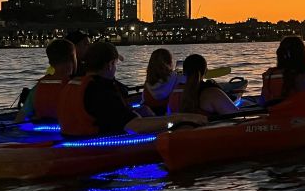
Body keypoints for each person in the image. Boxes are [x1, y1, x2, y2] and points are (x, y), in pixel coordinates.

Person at [58, 41, 207, 137]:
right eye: (115, 64)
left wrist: (135, 112)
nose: (115, 69)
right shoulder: (100, 89)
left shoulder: (73, 84)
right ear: (109, 65)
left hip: (72, 139)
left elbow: (105, 114)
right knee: (183, 127)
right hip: (98, 147)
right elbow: (135, 127)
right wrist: (181, 118)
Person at [16, 38, 77, 123]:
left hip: (41, 129)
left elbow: (20, 118)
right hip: (67, 129)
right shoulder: (75, 88)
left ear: (50, 63)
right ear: (72, 59)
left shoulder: (37, 88)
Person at [167, 54, 241, 118]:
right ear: (206, 71)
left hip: (179, 129)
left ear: (184, 72)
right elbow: (236, 116)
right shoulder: (212, 93)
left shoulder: (174, 92)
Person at [143, 48, 183, 115]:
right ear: (169, 62)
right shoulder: (177, 79)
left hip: (151, 119)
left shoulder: (147, 85)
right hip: (171, 118)